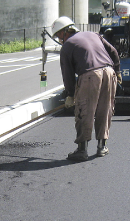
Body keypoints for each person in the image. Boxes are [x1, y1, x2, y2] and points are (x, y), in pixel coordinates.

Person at [51, 16, 122, 161]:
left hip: (90, 76)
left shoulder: (67, 46)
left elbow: (68, 74)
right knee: (105, 109)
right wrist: (118, 72)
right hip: (109, 72)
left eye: (58, 35)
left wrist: (71, 94)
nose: (59, 39)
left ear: (65, 32)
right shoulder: (93, 34)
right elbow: (113, 51)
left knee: (84, 111)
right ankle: (102, 147)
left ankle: (82, 150)